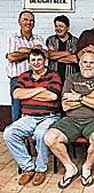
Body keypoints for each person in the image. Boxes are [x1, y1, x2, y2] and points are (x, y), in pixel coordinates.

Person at [44, 52, 94, 188]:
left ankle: (86, 167)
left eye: (91, 63)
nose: (88, 65)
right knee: (50, 138)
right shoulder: (71, 79)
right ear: (79, 64)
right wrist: (91, 96)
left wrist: (78, 97)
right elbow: (65, 105)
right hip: (71, 119)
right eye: (84, 62)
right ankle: (70, 168)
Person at [3, 49, 62, 186]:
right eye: (33, 60)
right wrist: (42, 89)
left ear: (45, 61)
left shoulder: (53, 75)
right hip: (28, 117)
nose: (36, 63)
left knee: (41, 134)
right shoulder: (23, 76)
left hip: (50, 116)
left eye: (39, 60)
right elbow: (17, 94)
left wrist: (28, 93)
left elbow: (53, 96)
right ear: (29, 62)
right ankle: (28, 167)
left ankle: (41, 169)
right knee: (9, 133)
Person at [6, 10, 47, 121]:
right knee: (17, 107)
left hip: (35, 78)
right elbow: (12, 57)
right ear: (19, 22)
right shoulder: (14, 38)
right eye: (25, 20)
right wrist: (33, 50)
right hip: (18, 78)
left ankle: (31, 135)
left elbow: (45, 55)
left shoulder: (39, 39)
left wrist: (23, 51)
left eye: (31, 20)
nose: (29, 22)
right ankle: (15, 134)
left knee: (34, 106)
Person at [46, 15, 79, 82]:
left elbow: (75, 59)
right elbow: (49, 55)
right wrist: (68, 53)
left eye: (61, 26)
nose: (58, 29)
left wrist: (55, 56)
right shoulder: (50, 40)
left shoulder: (75, 41)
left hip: (70, 78)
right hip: (53, 78)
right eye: (56, 26)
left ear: (67, 28)